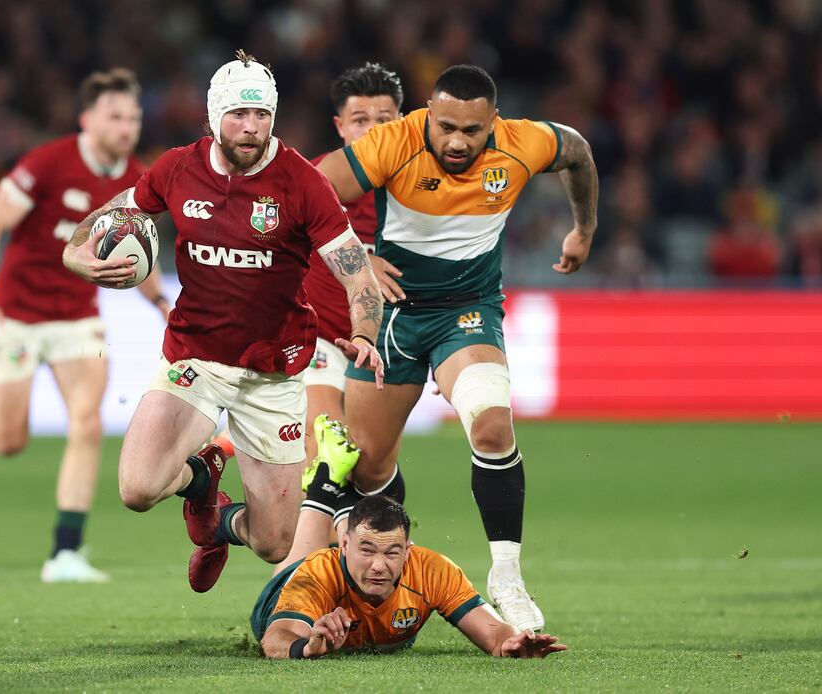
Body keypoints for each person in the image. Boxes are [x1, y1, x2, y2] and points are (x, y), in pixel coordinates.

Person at [62, 51, 385, 593]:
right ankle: (200, 479)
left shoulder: (302, 183)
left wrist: (363, 336)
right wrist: (77, 256)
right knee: (137, 489)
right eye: (239, 114)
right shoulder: (177, 168)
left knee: (272, 543)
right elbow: (112, 215)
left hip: (273, 373)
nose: (251, 128)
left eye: (262, 116)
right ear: (214, 115)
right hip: (194, 357)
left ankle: (219, 524)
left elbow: (360, 278)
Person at [316, 64, 599, 630]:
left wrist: (584, 229)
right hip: (394, 318)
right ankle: (371, 582)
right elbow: (311, 191)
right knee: (368, 466)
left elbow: (579, 152)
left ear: (493, 121)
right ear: (428, 113)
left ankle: (506, 575)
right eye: (445, 126)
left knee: (492, 424)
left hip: (466, 313)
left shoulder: (524, 143)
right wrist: (357, 257)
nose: (456, 141)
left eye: (471, 130)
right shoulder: (393, 141)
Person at [0, 68, 170, 583]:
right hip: (18, 319)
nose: (126, 127)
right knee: (7, 443)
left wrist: (159, 302)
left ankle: (64, 551)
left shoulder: (136, 178)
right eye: (115, 116)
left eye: (133, 118)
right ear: (86, 119)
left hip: (78, 321)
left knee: (88, 423)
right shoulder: (46, 163)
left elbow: (140, 254)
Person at [252, 427, 567, 659]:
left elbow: (493, 631)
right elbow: (276, 639)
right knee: (297, 554)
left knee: (363, 527)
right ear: (344, 547)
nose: (379, 566)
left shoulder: (430, 569)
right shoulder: (317, 573)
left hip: (348, 556)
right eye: (367, 551)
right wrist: (306, 648)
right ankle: (324, 482)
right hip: (287, 588)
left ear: (409, 550)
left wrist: (509, 641)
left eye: (392, 552)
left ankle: (339, 485)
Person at [273, 63, 404, 572]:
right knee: (327, 451)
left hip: (389, 346)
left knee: (371, 464)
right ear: (340, 126)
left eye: (384, 118)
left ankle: (363, 569)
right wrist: (358, 258)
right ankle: (305, 588)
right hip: (321, 338)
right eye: (359, 119)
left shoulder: (419, 182)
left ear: (405, 121)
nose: (371, 129)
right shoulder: (318, 178)